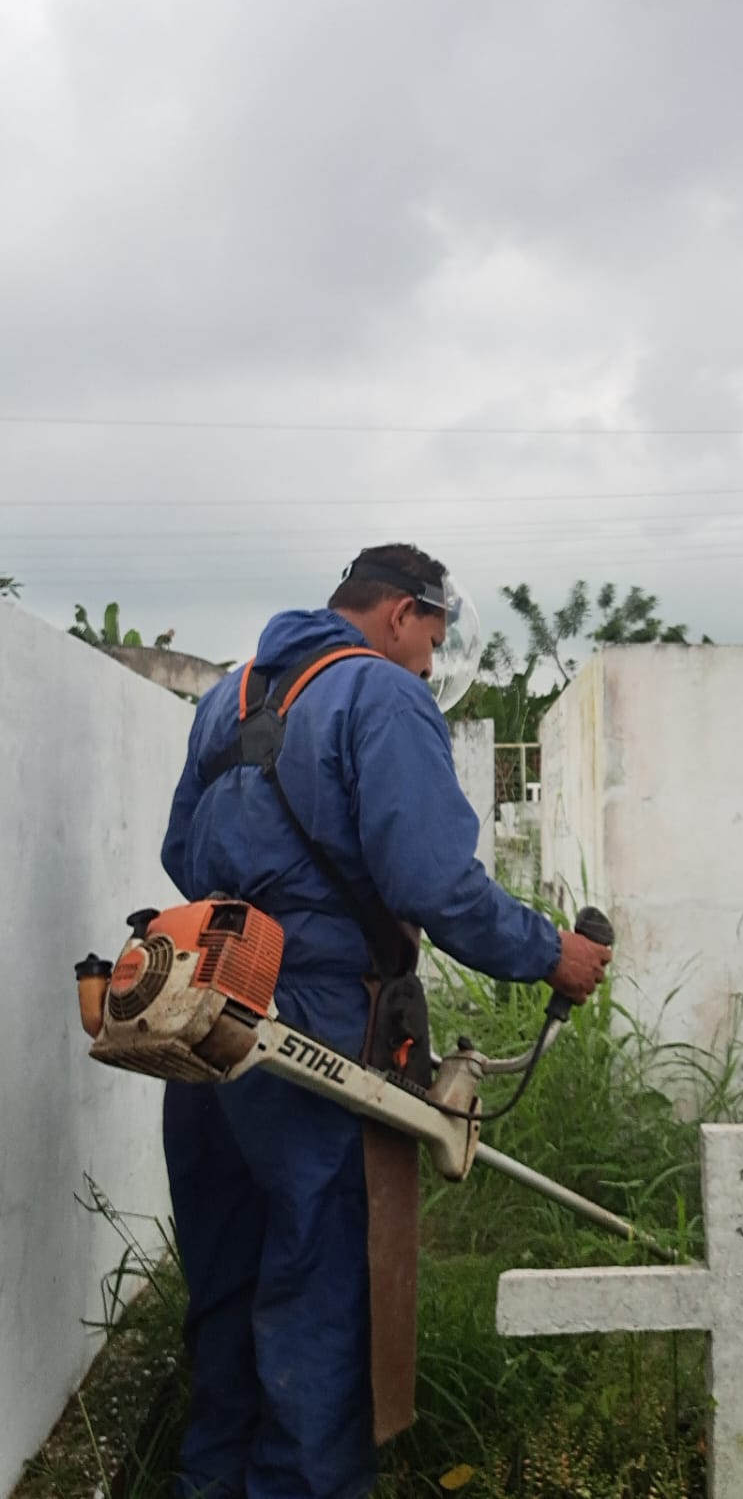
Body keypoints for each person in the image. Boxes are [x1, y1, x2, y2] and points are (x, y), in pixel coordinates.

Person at [159, 542, 611, 1499]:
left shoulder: (229, 695)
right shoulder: (382, 694)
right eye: (432, 640)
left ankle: (211, 1479)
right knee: (324, 1278)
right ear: (403, 613)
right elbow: (432, 882)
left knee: (227, 1267)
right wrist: (549, 953)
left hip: (208, 1002)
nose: (430, 662)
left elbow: (178, 850)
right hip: (321, 1021)